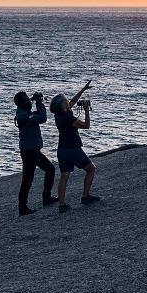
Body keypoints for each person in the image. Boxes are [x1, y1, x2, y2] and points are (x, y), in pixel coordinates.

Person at [52, 81, 100, 212]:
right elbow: (86, 126)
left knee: (64, 176)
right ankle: (85, 196)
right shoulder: (68, 118)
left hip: (62, 150)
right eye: (65, 101)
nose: (68, 101)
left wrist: (83, 90)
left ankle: (62, 205)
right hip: (72, 148)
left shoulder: (58, 115)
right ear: (62, 106)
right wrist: (86, 111)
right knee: (91, 169)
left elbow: (72, 101)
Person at [12, 91, 54, 216]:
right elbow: (43, 118)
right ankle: (23, 207)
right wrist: (39, 102)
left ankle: (46, 198)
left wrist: (35, 103)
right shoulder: (24, 115)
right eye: (26, 100)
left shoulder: (24, 112)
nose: (29, 101)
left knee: (49, 170)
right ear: (21, 103)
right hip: (29, 152)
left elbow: (36, 115)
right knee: (27, 180)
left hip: (31, 150)